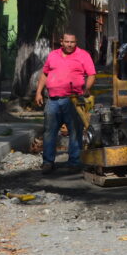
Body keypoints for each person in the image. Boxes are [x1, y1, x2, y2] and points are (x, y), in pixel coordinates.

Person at [34, 33, 96, 173]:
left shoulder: (83, 55)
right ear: (61, 41)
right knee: (49, 132)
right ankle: (48, 162)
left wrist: (86, 89)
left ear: (76, 42)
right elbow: (45, 73)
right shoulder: (53, 55)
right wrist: (38, 92)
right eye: (66, 41)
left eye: (72, 42)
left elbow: (91, 74)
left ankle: (74, 162)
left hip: (73, 100)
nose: (69, 44)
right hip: (53, 100)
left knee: (75, 131)